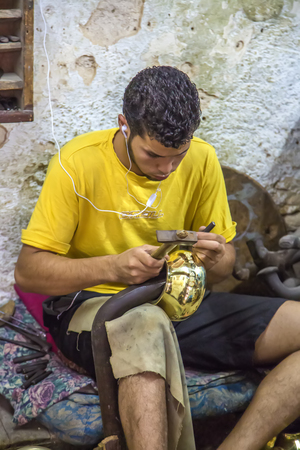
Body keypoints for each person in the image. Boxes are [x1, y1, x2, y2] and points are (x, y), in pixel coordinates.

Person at [14, 66, 300, 450]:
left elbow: (226, 264)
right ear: (124, 126)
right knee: (145, 322)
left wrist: (213, 258)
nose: (166, 169)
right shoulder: (76, 164)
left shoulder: (201, 159)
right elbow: (28, 274)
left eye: (177, 157)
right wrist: (113, 266)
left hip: (177, 302)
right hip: (92, 306)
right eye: (153, 155)